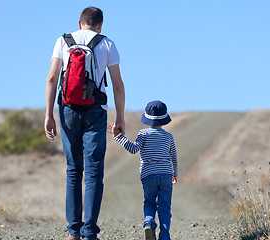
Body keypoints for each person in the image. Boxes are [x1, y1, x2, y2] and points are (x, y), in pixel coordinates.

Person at [44, 6, 125, 240]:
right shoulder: (107, 44)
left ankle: (73, 232)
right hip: (95, 111)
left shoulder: (63, 40)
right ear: (100, 25)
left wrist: (49, 114)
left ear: (79, 24)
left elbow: (51, 78)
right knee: (93, 172)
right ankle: (89, 233)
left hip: (67, 108)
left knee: (73, 170)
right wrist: (120, 118)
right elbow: (118, 85)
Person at [109, 100, 178, 240]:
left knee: (149, 202)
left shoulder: (143, 134)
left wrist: (118, 137)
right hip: (166, 175)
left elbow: (134, 149)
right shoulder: (168, 136)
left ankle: (149, 222)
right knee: (164, 207)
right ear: (164, 119)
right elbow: (174, 158)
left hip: (148, 175)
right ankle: (164, 236)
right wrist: (175, 174)